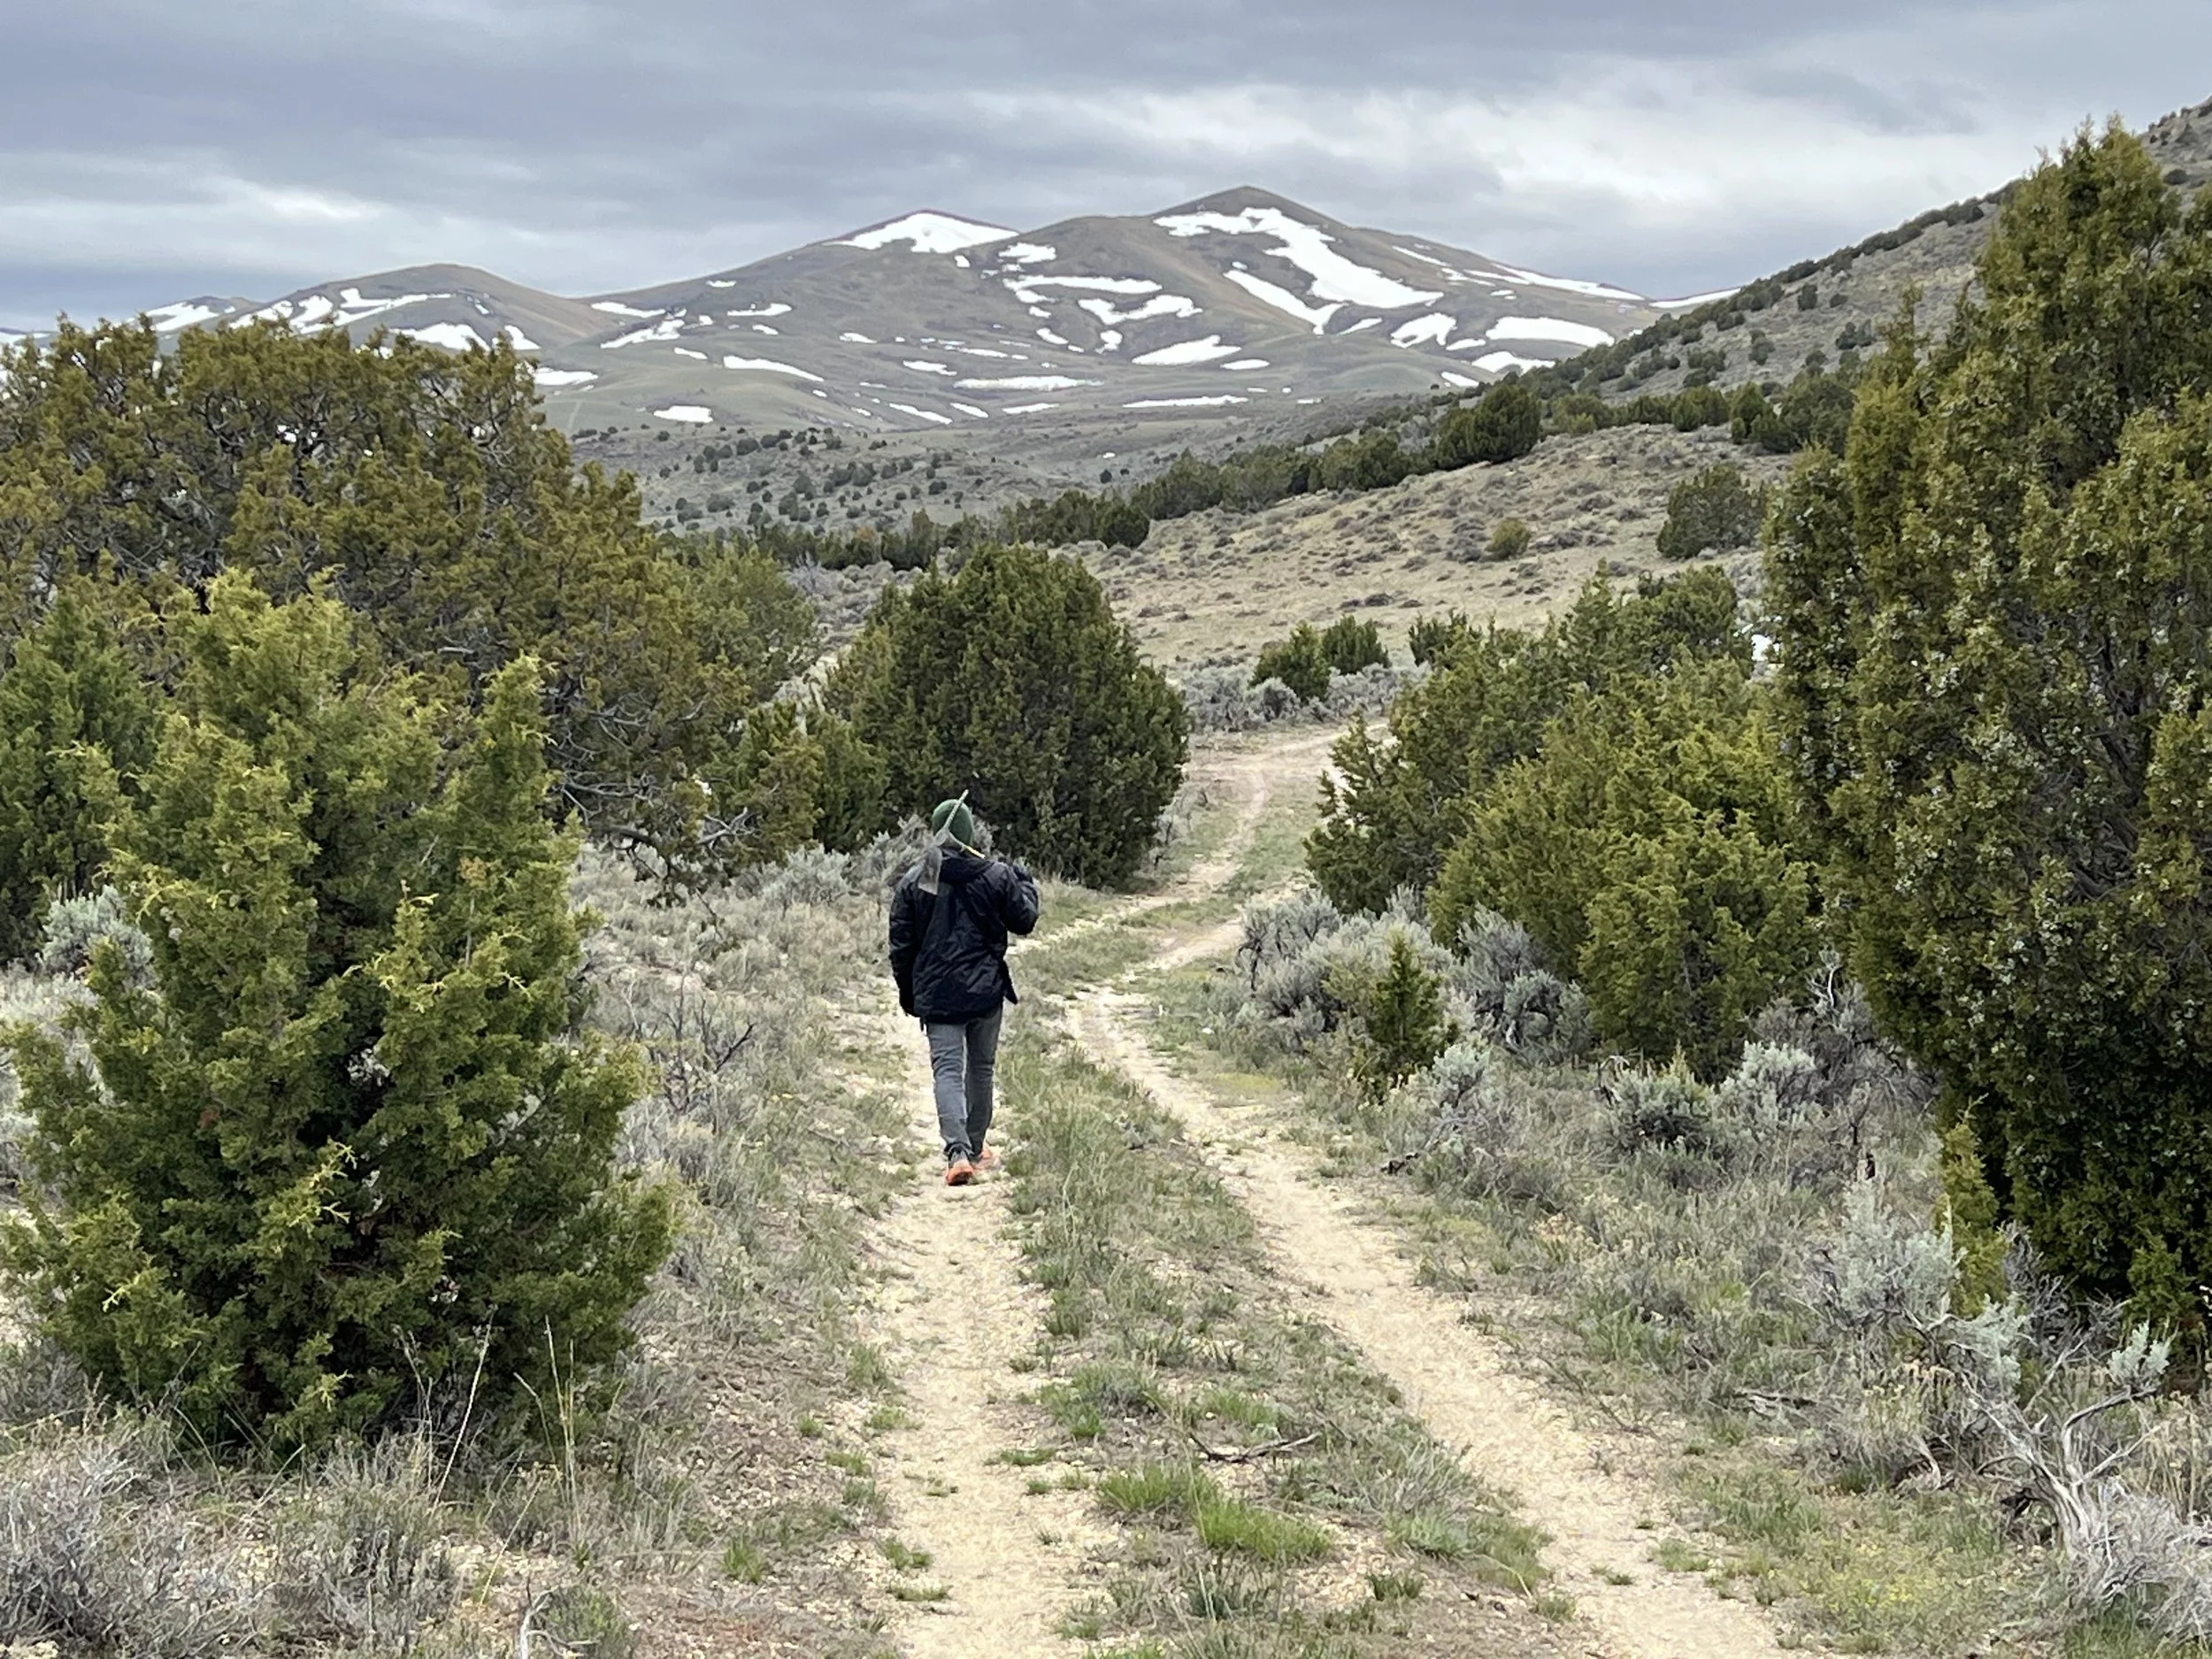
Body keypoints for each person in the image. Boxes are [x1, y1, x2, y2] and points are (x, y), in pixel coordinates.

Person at [888, 798, 1041, 1187]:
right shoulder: (996, 875)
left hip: (938, 995)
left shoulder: (917, 878)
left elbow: (901, 944)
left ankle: (956, 1152)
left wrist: (908, 991)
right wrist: (1025, 882)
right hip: (986, 991)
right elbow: (1024, 921)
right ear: (970, 833)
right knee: (981, 1068)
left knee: (948, 1070)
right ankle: (975, 1147)